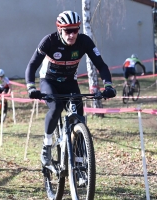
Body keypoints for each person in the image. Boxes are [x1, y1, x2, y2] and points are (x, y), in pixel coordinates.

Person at [25, 10, 116, 166]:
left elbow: (101, 65)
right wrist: (31, 88)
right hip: (49, 81)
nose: (71, 35)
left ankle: (80, 162)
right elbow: (32, 65)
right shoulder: (49, 41)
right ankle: (47, 145)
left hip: (69, 82)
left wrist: (108, 85)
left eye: (75, 30)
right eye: (67, 31)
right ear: (60, 29)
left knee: (79, 117)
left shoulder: (85, 42)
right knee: (56, 107)